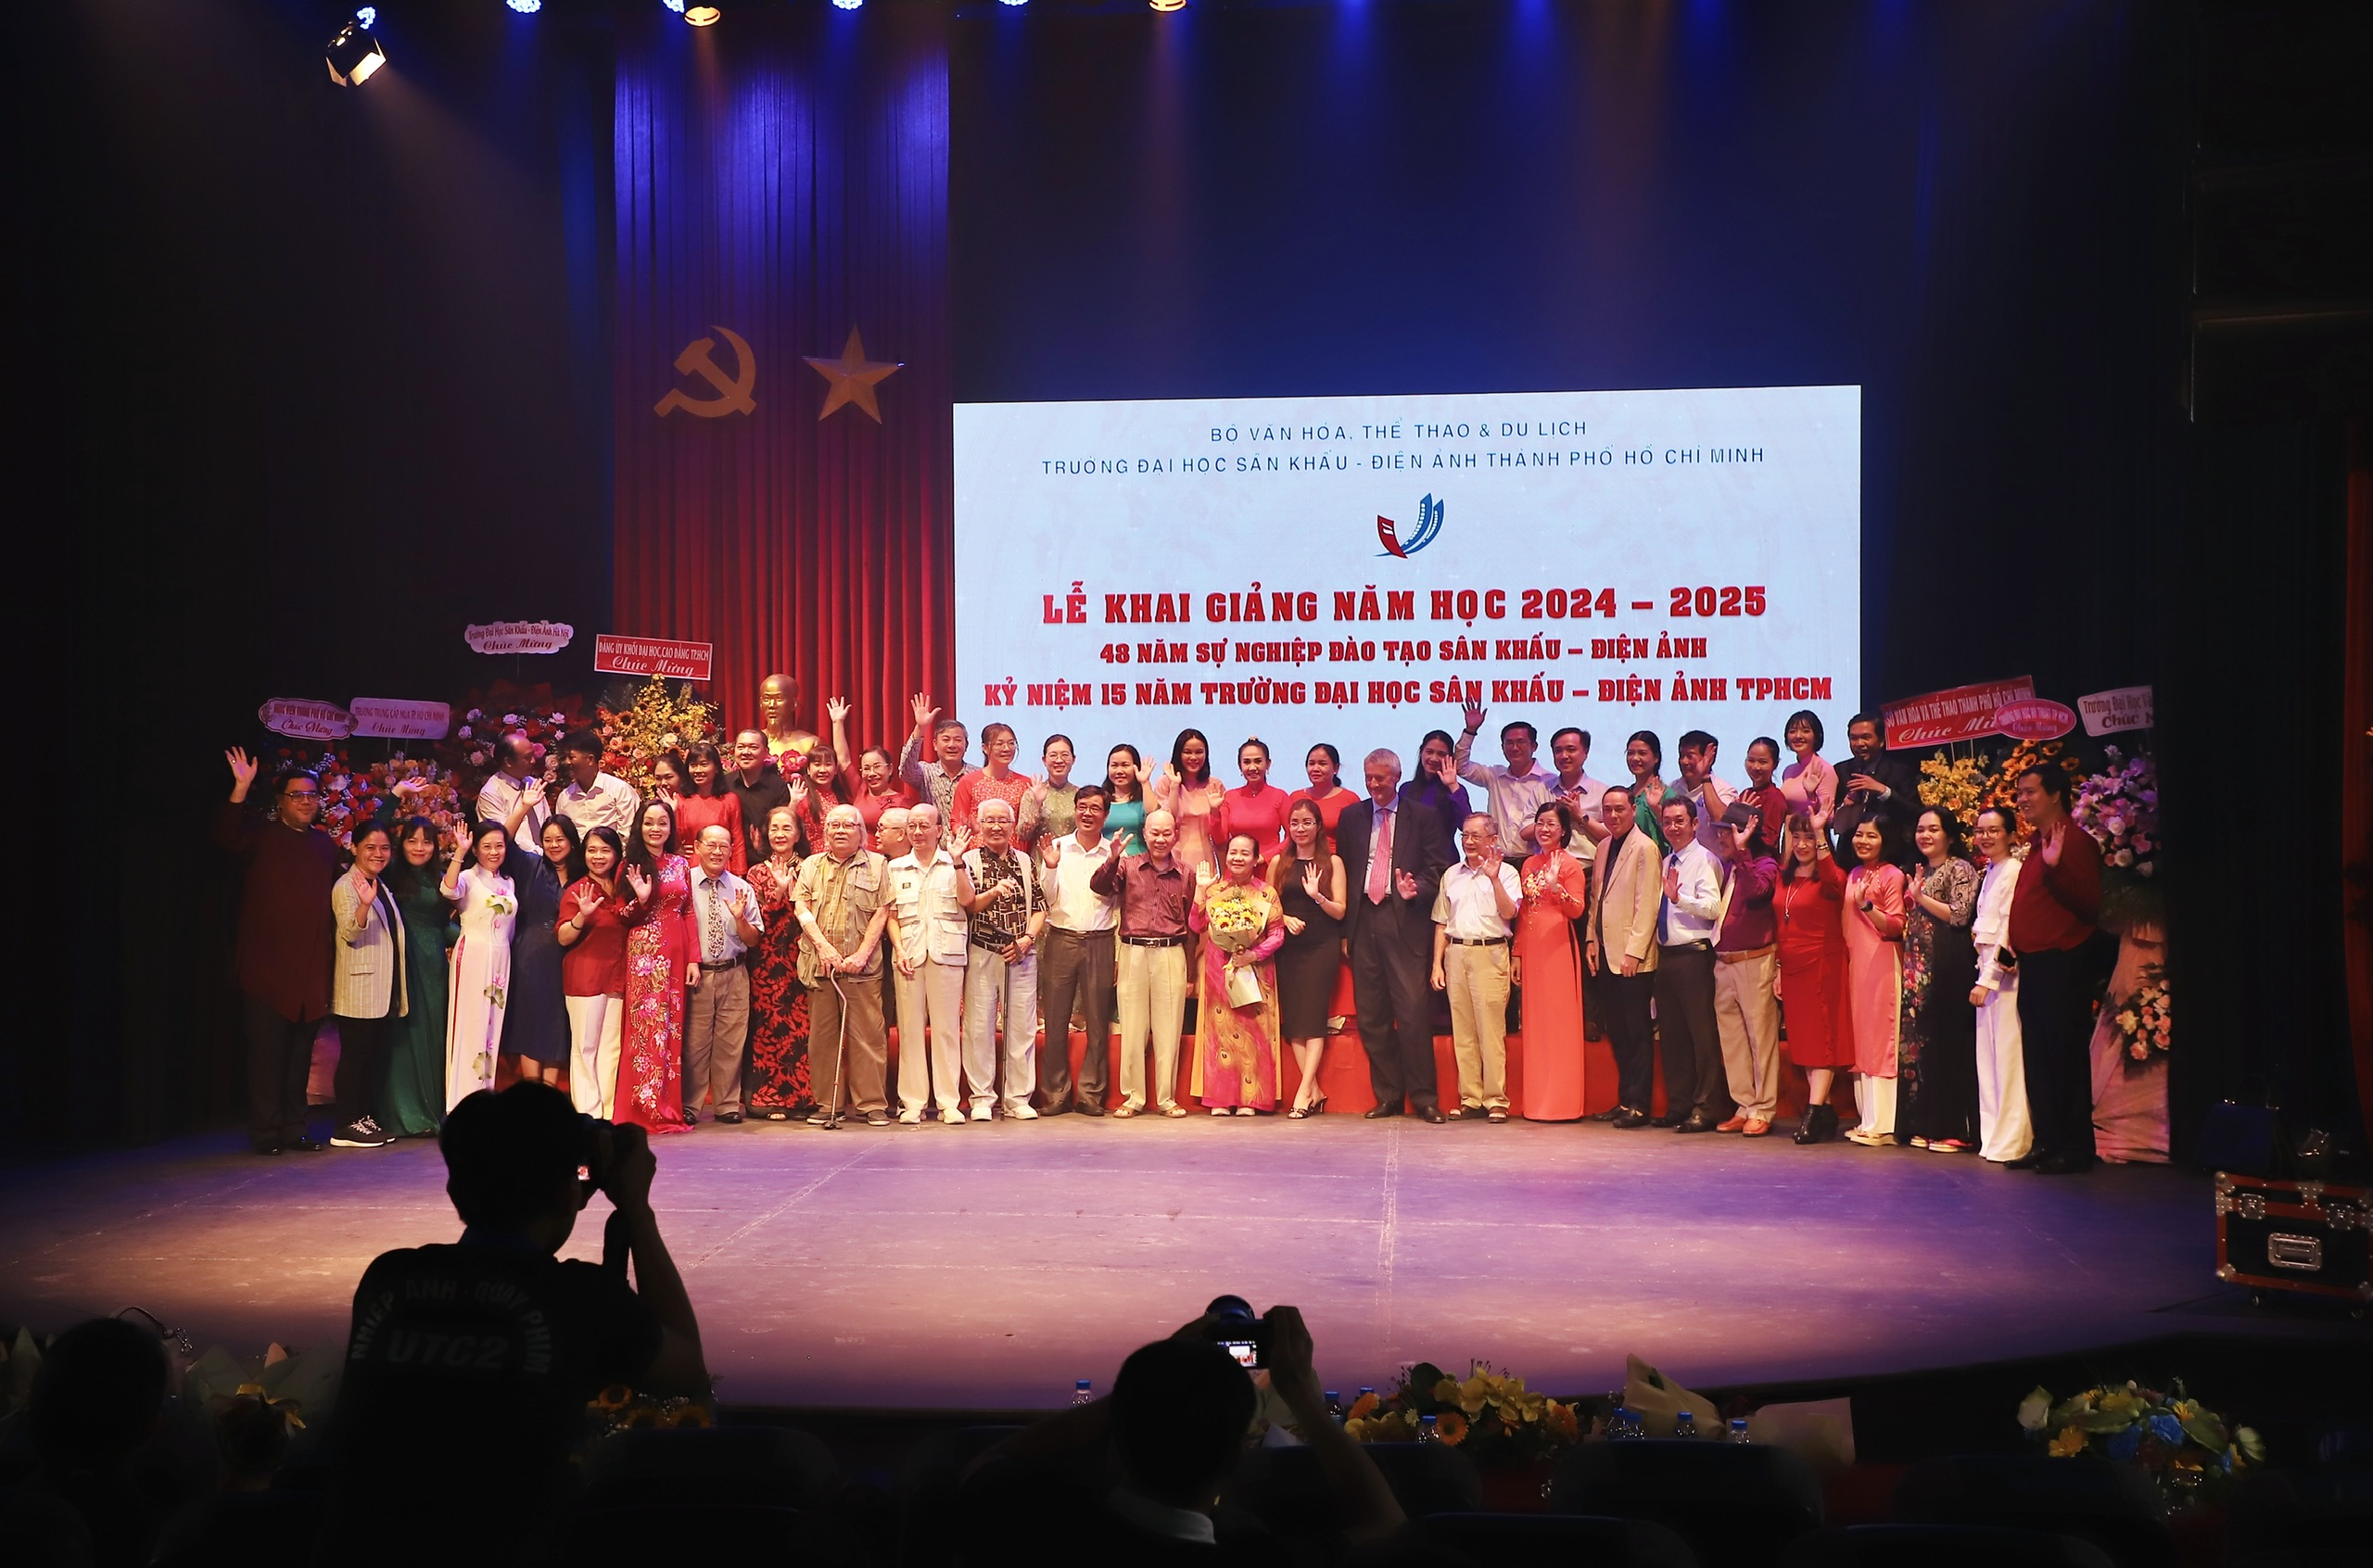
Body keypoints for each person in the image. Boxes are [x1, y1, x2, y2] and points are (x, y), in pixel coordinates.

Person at [326, 1083, 705, 1562]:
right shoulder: (578, 1297)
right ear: (571, 1191)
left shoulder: (390, 1279)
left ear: (454, 1189)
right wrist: (636, 1209)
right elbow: (686, 1366)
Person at [972, 1306, 1402, 1563]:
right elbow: (1389, 1528)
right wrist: (1305, 1400)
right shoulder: (1256, 1558)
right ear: (1238, 1459)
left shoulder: (1046, 1529)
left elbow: (988, 1463)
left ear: (1117, 1445)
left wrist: (1158, 1373)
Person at [218, 749, 338, 1156]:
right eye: (297, 795)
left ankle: (294, 1129)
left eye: (312, 795)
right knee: (267, 1059)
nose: (306, 801)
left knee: (298, 1060)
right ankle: (267, 1133)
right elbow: (226, 838)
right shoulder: (262, 837)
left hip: (307, 974)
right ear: (281, 801)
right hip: (265, 973)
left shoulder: (324, 846)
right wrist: (240, 788)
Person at [1337, 749, 1454, 1122]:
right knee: (1372, 1016)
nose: (1373, 785)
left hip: (1404, 920)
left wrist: (1415, 888)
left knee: (1413, 1012)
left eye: (1381, 779)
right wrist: (1345, 929)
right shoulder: (1351, 817)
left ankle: (1424, 1098)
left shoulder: (1423, 817)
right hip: (1363, 922)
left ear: (1398, 777)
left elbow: (1440, 869)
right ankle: (1388, 1095)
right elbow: (1346, 871)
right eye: (1368, 778)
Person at [2009, 765, 2106, 1174]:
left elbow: (2089, 904)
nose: (2022, 800)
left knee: (2064, 1056)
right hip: (2034, 964)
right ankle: (2046, 1140)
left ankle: (2074, 1145)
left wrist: (2056, 865)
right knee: (2039, 1057)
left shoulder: (2075, 843)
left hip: (2062, 962)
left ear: (2055, 794)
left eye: (2029, 792)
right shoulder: (2037, 843)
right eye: (2019, 794)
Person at [794, 803, 894, 1125]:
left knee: (868, 1037)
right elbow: (803, 910)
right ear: (824, 832)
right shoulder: (810, 865)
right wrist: (823, 948)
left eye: (848, 825)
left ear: (861, 832)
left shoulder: (879, 865)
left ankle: (871, 1104)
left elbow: (882, 912)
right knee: (822, 1040)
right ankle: (828, 1104)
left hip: (862, 968)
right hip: (820, 966)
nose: (840, 831)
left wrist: (863, 954)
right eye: (834, 826)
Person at [1094, 808, 1195, 1119]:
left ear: (1175, 834)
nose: (1161, 839)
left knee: (1169, 1029)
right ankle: (1134, 1096)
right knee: (1133, 1027)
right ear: (1145, 833)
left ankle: (1166, 1097)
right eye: (1154, 833)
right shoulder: (1127, 865)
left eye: (1166, 833)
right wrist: (1111, 858)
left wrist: (1191, 969)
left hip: (1170, 952)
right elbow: (1099, 887)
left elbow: (1191, 923)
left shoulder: (1187, 873)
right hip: (1133, 951)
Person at [1430, 813, 1522, 1121]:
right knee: (1463, 1030)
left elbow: (1510, 912)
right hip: (1456, 954)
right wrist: (1437, 964)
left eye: (1475, 836)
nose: (1468, 842)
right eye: (1464, 836)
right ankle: (1470, 1097)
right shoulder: (1451, 874)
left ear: (1492, 840)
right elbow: (1442, 921)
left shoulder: (1507, 873)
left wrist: (1493, 878)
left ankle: (1496, 1099)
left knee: (1490, 1030)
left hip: (1490, 953)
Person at [1034, 785, 1120, 1116]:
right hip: (1062, 938)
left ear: (1105, 814)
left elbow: (1118, 905)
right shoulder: (1057, 847)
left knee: (1098, 1023)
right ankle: (1055, 1094)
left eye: (1095, 808)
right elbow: (1046, 897)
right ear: (1075, 809)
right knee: (1055, 1022)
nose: (1087, 813)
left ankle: (1091, 1095)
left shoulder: (1114, 853)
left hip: (1100, 940)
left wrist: (1115, 953)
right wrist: (1052, 866)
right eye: (1082, 806)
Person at [958, 798, 1046, 1120]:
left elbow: (1040, 907)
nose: (996, 826)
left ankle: (1017, 1098)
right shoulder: (967, 861)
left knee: (1022, 1027)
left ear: (1012, 825)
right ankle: (982, 1097)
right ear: (979, 825)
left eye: (1003, 820)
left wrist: (1026, 939)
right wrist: (994, 891)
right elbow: (968, 906)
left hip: (1021, 953)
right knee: (979, 1027)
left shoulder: (1025, 860)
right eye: (989, 820)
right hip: (982, 950)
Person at [1900, 806, 1981, 1152]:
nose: (1925, 835)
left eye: (1933, 829)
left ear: (1949, 834)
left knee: (1949, 1045)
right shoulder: (1923, 870)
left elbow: (1961, 916)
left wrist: (1920, 897)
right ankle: (1927, 1123)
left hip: (1949, 966)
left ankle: (1955, 1128)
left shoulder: (1959, 868)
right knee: (1923, 1049)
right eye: (1920, 829)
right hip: (1919, 970)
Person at [1189, 832, 1287, 1116]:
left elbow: (1277, 934)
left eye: (1245, 853)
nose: (1238, 858)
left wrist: (1252, 954)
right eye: (1233, 852)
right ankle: (1221, 1097)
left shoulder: (1267, 893)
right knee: (1220, 1034)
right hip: (1220, 970)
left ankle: (1250, 1098)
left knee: (1254, 1032)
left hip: (1257, 970)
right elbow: (1196, 926)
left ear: (1256, 858)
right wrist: (1198, 892)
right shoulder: (1213, 890)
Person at [616, 799, 695, 1133]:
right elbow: (622, 915)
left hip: (677, 952)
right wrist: (642, 899)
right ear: (639, 826)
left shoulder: (681, 864)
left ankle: (667, 1107)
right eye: (649, 822)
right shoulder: (629, 866)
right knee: (646, 1029)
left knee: (671, 1029)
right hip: (645, 954)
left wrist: (695, 958)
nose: (656, 829)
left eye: (662, 822)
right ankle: (642, 1108)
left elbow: (689, 912)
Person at [887, 802, 968, 1125]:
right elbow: (889, 915)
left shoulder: (955, 863)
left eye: (925, 826)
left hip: (946, 952)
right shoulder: (894, 868)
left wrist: (960, 862)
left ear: (939, 830)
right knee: (909, 1030)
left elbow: (967, 901)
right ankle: (913, 1102)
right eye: (913, 826)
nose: (918, 832)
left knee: (947, 1029)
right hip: (908, 954)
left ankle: (949, 1102)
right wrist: (899, 948)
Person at [1775, 814, 1853, 1144]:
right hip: (1792, 968)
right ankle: (1824, 1110)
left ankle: (1812, 1111)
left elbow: (1837, 883)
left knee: (1822, 1041)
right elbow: (1782, 925)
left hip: (1822, 963)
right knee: (1805, 1043)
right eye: (1797, 837)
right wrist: (1779, 967)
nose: (1803, 845)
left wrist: (1820, 830)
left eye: (1809, 838)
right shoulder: (1785, 879)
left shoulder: (1829, 877)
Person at [1585, 785, 1660, 1127]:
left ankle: (1640, 1104)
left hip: (1632, 957)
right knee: (1617, 1030)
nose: (1613, 815)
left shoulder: (1645, 847)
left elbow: (1648, 905)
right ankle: (1625, 1098)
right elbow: (1597, 898)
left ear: (1633, 810)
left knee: (1637, 1031)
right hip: (1605, 949)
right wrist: (1591, 940)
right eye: (1608, 810)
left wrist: (1635, 951)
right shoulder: (1602, 847)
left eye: (1620, 809)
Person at [1653, 794, 1728, 1132]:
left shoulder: (1704, 859)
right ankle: (1680, 1104)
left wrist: (1678, 898)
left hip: (1695, 955)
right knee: (1673, 1037)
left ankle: (1708, 1106)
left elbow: (1713, 909)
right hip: (1667, 956)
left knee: (1702, 1036)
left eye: (1679, 820)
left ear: (1695, 823)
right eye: (1667, 821)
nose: (1672, 827)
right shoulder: (1668, 860)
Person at [328, 821, 405, 1149]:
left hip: (379, 988)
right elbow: (349, 931)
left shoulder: (380, 884)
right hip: (358, 987)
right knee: (355, 1057)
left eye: (384, 848)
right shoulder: (346, 886)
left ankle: (362, 1117)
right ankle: (345, 1124)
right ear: (354, 848)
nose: (378, 853)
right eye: (371, 847)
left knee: (370, 1057)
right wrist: (363, 903)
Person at [1513, 799, 1591, 1122]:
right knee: (1535, 1024)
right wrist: (1517, 951)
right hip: (1532, 946)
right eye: (1540, 823)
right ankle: (1536, 1102)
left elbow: (1577, 910)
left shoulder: (1570, 865)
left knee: (1559, 1024)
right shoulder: (1529, 864)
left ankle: (1562, 1103)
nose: (1544, 830)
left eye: (1552, 825)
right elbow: (1524, 911)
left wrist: (1557, 888)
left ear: (1563, 830)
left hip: (1558, 945)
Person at [1269, 797, 1347, 1119]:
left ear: (1318, 827)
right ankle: (1313, 1089)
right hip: (1288, 948)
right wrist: (1283, 918)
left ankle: (1303, 1093)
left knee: (1313, 1019)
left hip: (1321, 947)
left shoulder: (1334, 864)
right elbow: (1269, 906)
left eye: (1307, 823)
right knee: (1294, 1023)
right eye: (1295, 823)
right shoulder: (1278, 863)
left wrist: (1318, 897)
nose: (1300, 829)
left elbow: (1340, 911)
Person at [1708, 802, 1783, 1136]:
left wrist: (1742, 854)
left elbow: (1758, 893)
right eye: (1722, 831)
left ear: (1746, 833)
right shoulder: (1729, 867)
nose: (1722, 837)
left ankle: (1764, 1107)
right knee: (1733, 1038)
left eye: (1728, 831)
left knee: (1759, 1036)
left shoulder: (1764, 864)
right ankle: (1744, 1104)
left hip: (1754, 961)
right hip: (1724, 962)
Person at [379, 816, 455, 1136]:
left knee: (436, 1036)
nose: (419, 847)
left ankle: (434, 1111)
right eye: (412, 840)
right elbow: (375, 831)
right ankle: (405, 1114)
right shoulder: (393, 875)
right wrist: (394, 797)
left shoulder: (440, 878)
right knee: (405, 1037)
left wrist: (475, 939)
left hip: (435, 966)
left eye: (426, 841)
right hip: (404, 963)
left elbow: (443, 925)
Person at [682, 823, 763, 1125]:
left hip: (734, 972)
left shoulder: (742, 887)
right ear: (698, 847)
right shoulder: (684, 884)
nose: (717, 851)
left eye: (724, 846)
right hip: (697, 975)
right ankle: (690, 1104)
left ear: (731, 850)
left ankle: (727, 1104)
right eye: (711, 845)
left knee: (731, 1042)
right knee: (694, 1043)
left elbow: (753, 939)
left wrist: (740, 918)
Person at [1966, 804, 2034, 1163]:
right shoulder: (1991, 870)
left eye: (1994, 830)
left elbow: (2009, 930)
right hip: (1985, 974)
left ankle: (2013, 1140)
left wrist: (1989, 979)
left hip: (2003, 980)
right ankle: (1992, 1138)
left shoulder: (2013, 871)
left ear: (2010, 834)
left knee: (2006, 1060)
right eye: (1980, 830)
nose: (1986, 837)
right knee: (1987, 1060)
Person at [557, 825, 636, 1119]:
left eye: (605, 850)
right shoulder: (577, 890)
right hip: (585, 980)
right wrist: (582, 916)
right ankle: (587, 1114)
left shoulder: (623, 889)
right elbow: (563, 936)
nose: (598, 856)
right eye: (592, 850)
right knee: (585, 1048)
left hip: (616, 979)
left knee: (611, 1048)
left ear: (616, 855)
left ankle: (607, 1111)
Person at [744, 804, 816, 1120]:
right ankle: (770, 1097)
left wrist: (790, 891)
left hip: (801, 956)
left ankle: (803, 1098)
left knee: (801, 1028)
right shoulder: (756, 872)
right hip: (767, 960)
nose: (780, 834)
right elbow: (758, 920)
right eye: (774, 828)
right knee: (770, 1028)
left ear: (798, 834)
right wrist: (778, 893)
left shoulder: (811, 868)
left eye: (787, 828)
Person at [1841, 815, 1910, 1145]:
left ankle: (1885, 1123)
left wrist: (1867, 906)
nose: (1863, 841)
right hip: (1856, 964)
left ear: (1886, 840)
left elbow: (1896, 925)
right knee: (1862, 1040)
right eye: (1859, 834)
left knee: (1881, 1038)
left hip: (1881, 962)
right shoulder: (1854, 874)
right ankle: (1867, 1118)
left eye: (1871, 836)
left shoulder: (1892, 875)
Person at [442, 819, 517, 1111]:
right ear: (476, 848)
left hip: (501, 957)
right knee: (469, 1028)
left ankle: (484, 1100)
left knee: (490, 1031)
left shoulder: (508, 882)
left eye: (499, 845)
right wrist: (459, 853)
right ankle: (461, 1105)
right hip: (472, 956)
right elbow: (448, 891)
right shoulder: (468, 877)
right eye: (486, 846)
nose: (494, 851)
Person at [500, 816, 577, 1090]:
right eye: (548, 840)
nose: (554, 845)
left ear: (571, 841)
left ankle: (550, 1094)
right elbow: (503, 841)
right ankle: (532, 1094)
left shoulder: (581, 873)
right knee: (530, 1021)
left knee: (558, 1022)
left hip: (567, 956)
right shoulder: (532, 866)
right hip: (530, 955)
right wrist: (524, 807)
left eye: (560, 839)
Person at [1453, 702, 1559, 857]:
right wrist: (1470, 731)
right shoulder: (1494, 776)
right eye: (1509, 743)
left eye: (1521, 742)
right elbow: (1461, 766)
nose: (1515, 748)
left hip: (1533, 860)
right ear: (1502, 747)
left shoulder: (1549, 782)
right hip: (1497, 860)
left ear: (1534, 746)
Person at [827, 697, 918, 849]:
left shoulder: (903, 802)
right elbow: (843, 760)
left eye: (877, 766)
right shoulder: (859, 791)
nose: (872, 773)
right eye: (866, 768)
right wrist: (837, 722)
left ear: (889, 769)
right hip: (858, 860)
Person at [1832, 713, 1919, 849]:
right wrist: (1843, 807)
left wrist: (1883, 791)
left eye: (1866, 737)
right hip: (1848, 854)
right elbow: (1830, 814)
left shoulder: (1899, 771)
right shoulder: (1841, 770)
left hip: (1889, 852)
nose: (1859, 744)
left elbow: (1915, 812)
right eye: (1853, 738)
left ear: (1881, 741)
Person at [1151, 727, 1226, 879]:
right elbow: (1167, 822)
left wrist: (1214, 811)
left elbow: (1220, 837)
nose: (1193, 757)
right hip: (1172, 856)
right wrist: (1174, 787)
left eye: (1199, 752)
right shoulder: (1165, 783)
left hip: (1204, 859)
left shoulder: (1214, 785)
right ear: (1179, 754)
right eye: (1187, 752)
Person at [900, 694, 978, 827]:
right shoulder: (926, 772)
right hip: (933, 845)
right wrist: (920, 728)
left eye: (958, 740)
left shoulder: (976, 775)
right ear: (935, 744)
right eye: (946, 740)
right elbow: (906, 770)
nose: (952, 745)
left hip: (968, 844)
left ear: (966, 745)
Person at [954, 721, 1036, 841]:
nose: (1007, 749)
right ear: (985, 748)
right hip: (977, 854)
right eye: (999, 744)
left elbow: (1027, 830)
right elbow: (957, 820)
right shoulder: (969, 781)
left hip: (1013, 854)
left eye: (1011, 743)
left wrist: (1037, 803)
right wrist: (967, 831)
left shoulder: (1025, 784)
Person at [672, 740, 746, 875]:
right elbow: (673, 836)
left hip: (722, 867)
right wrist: (676, 850)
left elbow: (738, 839)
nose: (698, 770)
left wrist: (740, 874)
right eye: (693, 766)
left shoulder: (729, 800)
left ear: (717, 768)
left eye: (704, 765)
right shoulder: (680, 800)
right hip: (691, 866)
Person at [474, 730, 552, 854]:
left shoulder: (532, 783)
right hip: (516, 863)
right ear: (508, 762)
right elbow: (500, 839)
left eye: (533, 755)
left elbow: (548, 823)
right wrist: (524, 807)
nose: (533, 761)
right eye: (527, 757)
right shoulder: (491, 793)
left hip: (546, 860)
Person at [553, 727, 641, 838]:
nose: (567, 762)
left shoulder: (619, 790)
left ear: (590, 759)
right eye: (566, 757)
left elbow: (628, 833)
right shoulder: (565, 797)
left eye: (571, 757)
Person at [1217, 737, 1291, 865]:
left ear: (1268, 764)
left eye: (1258, 761)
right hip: (1237, 868)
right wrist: (1214, 812)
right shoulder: (1229, 797)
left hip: (1270, 868)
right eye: (1247, 762)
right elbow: (1220, 839)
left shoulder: (1280, 796)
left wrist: (1265, 857)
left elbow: (1293, 836)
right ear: (1239, 766)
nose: (1252, 767)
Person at [725, 729, 793, 868]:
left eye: (753, 747)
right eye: (741, 747)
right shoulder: (724, 783)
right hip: (729, 862)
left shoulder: (778, 786)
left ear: (766, 752)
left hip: (767, 863)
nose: (746, 752)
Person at [1285, 741, 1360, 852]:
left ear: (1336, 768)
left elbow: (1357, 839)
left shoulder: (1349, 799)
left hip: (1336, 862)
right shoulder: (1295, 797)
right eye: (1311, 764)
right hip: (1300, 862)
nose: (1315, 769)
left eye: (1322, 764)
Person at [1402, 727, 1474, 841]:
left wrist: (1452, 785)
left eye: (1441, 754)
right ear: (1421, 752)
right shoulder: (1406, 789)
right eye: (1429, 752)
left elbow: (1468, 827)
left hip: (1444, 857)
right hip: (1411, 857)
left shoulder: (1455, 790)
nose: (1434, 759)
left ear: (1450, 758)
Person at [1673, 728, 1740, 845]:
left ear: (1710, 758)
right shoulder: (1674, 787)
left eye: (1690, 756)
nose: (1684, 761)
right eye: (1681, 756)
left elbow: (1720, 819)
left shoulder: (1724, 789)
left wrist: (1705, 777)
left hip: (1712, 862)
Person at [1020, 732, 1081, 851]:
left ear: (1073, 759)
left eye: (1065, 755)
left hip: (1072, 861)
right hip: (1040, 863)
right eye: (1053, 755)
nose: (1059, 760)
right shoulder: (1032, 793)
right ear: (1044, 760)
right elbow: (1023, 835)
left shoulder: (1080, 795)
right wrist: (1036, 804)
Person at [793, 739, 856, 853]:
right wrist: (794, 803)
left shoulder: (843, 796)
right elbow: (789, 826)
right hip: (811, 859)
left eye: (828, 764)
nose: (822, 770)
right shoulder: (802, 795)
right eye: (817, 764)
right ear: (808, 769)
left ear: (836, 770)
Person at [1778, 708, 1836, 817]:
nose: (1798, 736)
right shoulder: (1788, 770)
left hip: (1812, 833)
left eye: (1805, 731)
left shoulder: (1824, 769)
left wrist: (1811, 796)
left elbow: (1828, 817)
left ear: (1817, 736)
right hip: (1789, 833)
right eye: (1792, 731)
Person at [1736, 736, 1793, 847]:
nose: (1756, 767)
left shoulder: (1775, 798)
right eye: (1751, 760)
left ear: (1775, 764)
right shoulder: (1745, 794)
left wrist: (1743, 818)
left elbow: (1769, 840)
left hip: (1762, 862)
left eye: (1763, 762)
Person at [756, 670, 817, 770]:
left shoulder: (810, 743)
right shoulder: (750, 743)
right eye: (767, 699)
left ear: (794, 704)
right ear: (761, 704)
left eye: (779, 699)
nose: (772, 705)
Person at [1102, 743, 1149, 855]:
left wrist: (1145, 782)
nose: (1119, 771)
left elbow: (1154, 816)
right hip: (1105, 863)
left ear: (1136, 767)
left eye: (1125, 765)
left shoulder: (1144, 800)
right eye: (1114, 765)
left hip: (1139, 864)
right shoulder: (1101, 800)